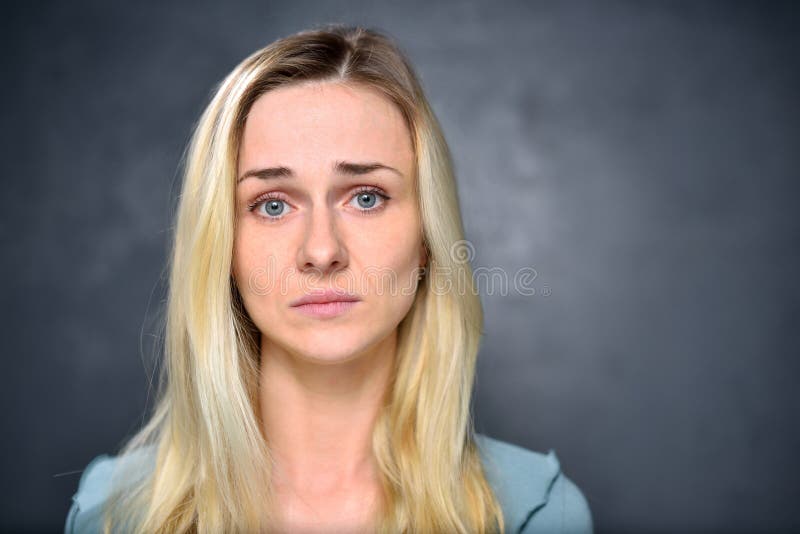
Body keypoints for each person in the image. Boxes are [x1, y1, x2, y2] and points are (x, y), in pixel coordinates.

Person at [64, 24, 593, 534]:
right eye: (272, 205)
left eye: (366, 197)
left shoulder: (536, 514)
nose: (321, 251)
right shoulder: (114, 513)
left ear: (428, 238)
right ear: (222, 246)